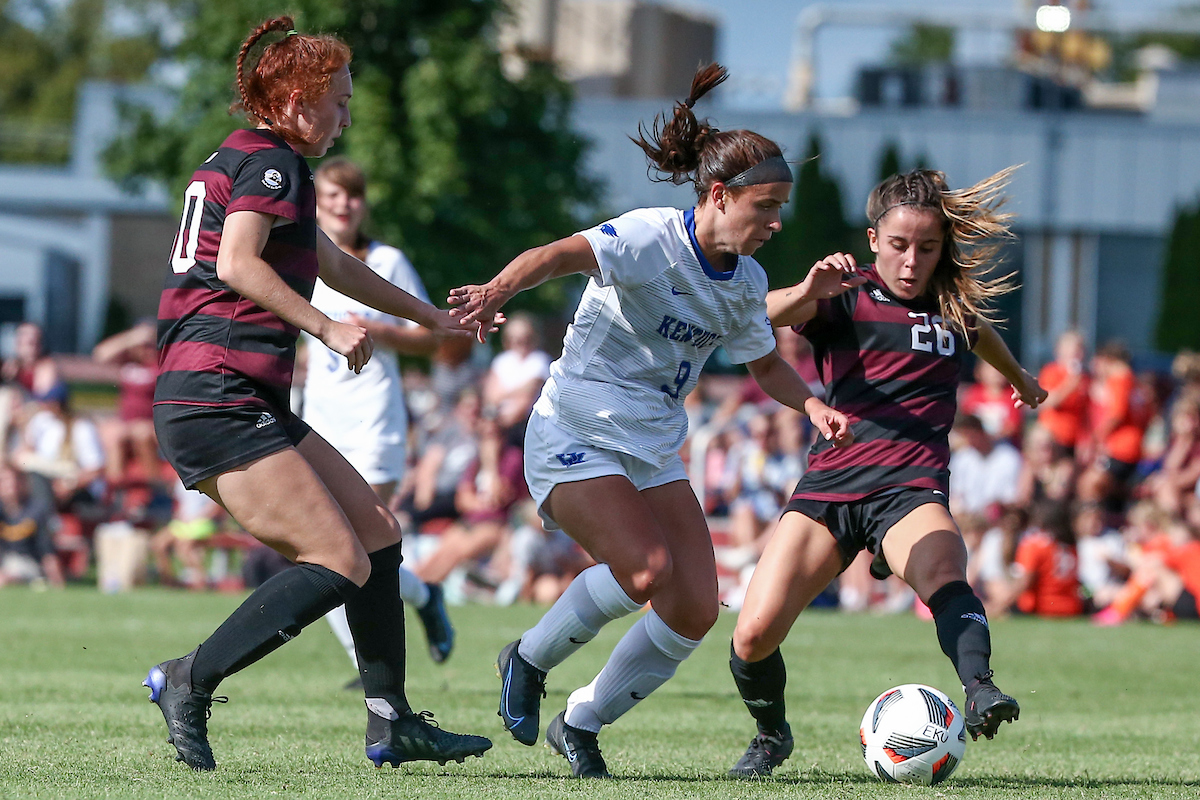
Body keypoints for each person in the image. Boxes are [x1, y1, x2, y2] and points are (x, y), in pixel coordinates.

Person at [448, 63, 852, 779]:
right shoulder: (647, 237)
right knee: (643, 570)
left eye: (781, 206)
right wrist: (497, 288)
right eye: (765, 206)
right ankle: (529, 658)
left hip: (652, 446)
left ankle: (580, 722)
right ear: (719, 195)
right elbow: (555, 256)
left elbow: (764, 367)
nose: (776, 221)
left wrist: (813, 402)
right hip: (576, 426)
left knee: (696, 605)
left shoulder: (749, 282)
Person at [141, 16, 490, 772]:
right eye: (339, 101)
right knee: (338, 560)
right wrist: (327, 329)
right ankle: (187, 680)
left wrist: (430, 315)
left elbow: (333, 263)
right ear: (296, 99)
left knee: (377, 536)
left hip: (234, 394)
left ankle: (393, 722)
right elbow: (238, 263)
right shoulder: (274, 164)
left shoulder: (254, 158)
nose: (346, 118)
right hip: (217, 395)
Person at [725, 166, 1048, 778]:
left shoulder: (954, 308)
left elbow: (982, 338)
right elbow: (759, 313)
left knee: (944, 570)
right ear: (874, 239)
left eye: (927, 248)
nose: (911, 260)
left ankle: (980, 689)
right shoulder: (843, 294)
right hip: (832, 484)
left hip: (911, 484)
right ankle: (771, 735)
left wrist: (1019, 379)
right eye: (899, 245)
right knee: (752, 636)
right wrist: (810, 287)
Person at [300, 156, 455, 672]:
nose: (344, 204)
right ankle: (419, 602)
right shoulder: (300, 258)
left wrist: (376, 330)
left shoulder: (386, 260)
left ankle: (378, 664)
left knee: (365, 537)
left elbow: (429, 339)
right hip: (318, 418)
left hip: (373, 416)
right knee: (323, 546)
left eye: (353, 194)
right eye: (332, 196)